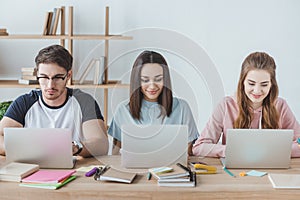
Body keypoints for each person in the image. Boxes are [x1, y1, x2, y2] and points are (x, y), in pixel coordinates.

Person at [0, 44, 109, 157]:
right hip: (34, 169)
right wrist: (25, 150)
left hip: (74, 170)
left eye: (57, 77)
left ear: (68, 75)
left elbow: (101, 144)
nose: (50, 85)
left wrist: (75, 147)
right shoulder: (25, 103)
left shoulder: (84, 102)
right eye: (44, 77)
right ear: (37, 75)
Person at [192, 52, 300, 157]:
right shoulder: (226, 105)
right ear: (242, 82)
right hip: (236, 172)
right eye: (251, 83)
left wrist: (271, 151)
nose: (257, 91)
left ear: (271, 85)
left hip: (272, 170)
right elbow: (199, 147)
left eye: (264, 84)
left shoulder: (280, 106)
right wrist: (231, 151)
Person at [108, 50, 199, 155]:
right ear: (137, 81)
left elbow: (189, 152)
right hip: (133, 169)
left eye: (158, 79)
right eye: (145, 80)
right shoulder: (123, 110)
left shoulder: (182, 108)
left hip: (173, 169)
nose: (152, 86)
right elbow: (115, 154)